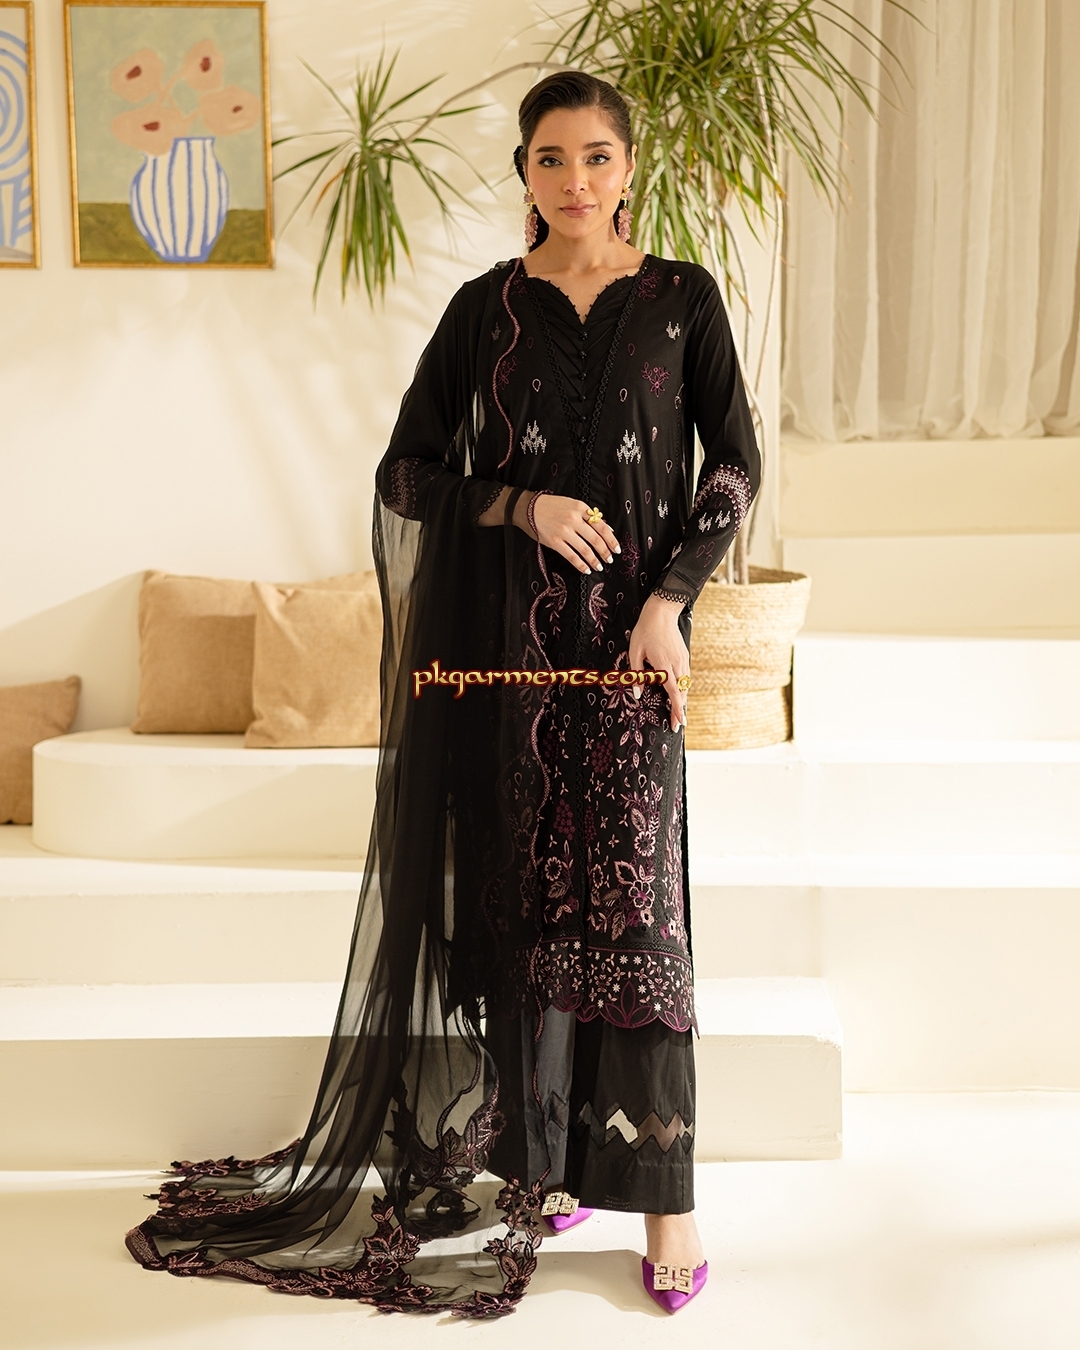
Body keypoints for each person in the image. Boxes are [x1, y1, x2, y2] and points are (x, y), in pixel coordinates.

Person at [125, 69, 760, 1318]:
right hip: (508, 670)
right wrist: (523, 505)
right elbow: (407, 475)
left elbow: (732, 464)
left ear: (629, 166)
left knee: (637, 922)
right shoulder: (486, 312)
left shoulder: (682, 300)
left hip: (633, 666)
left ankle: (665, 1198)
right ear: (522, 173)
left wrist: (669, 602)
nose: (574, 180)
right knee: (525, 917)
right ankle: (548, 1164)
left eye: (595, 156)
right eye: (549, 159)